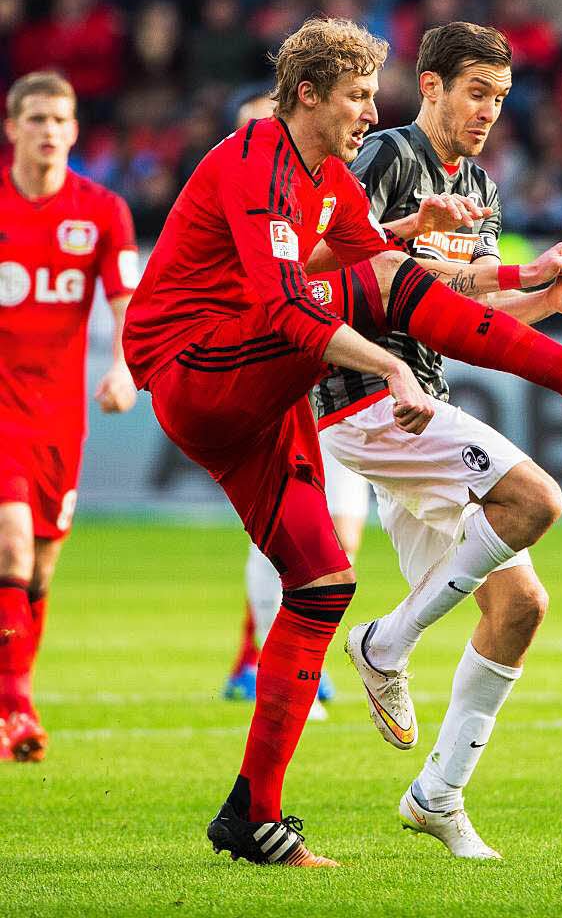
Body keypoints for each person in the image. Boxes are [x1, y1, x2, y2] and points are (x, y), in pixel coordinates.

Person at [123, 17, 562, 868]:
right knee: (407, 330)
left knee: (323, 584)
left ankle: (253, 817)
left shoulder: (331, 178)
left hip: (264, 398)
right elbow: (295, 306)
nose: (370, 113)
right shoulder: (256, 158)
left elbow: (401, 271)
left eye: (373, 96)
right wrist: (391, 371)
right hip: (196, 367)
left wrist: (514, 274)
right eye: (358, 97)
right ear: (307, 96)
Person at [315, 22, 562, 858]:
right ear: (429, 86)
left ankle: (437, 795)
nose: (488, 112)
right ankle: (382, 643)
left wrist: (546, 300)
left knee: (520, 606)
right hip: (359, 390)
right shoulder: (384, 159)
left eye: (499, 98)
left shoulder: (486, 192)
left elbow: (472, 311)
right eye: (474, 93)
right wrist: (495, 275)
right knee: (534, 498)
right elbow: (326, 262)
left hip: (422, 404)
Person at [0, 71, 138, 763]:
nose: (48, 131)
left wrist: (123, 365)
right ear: (12, 127)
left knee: (41, 570)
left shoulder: (103, 210)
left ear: (75, 130)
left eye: (60, 119)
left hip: (58, 418)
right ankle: (15, 708)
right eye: (35, 119)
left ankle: (14, 691)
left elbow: (125, 302)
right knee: (12, 546)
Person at [222, 90, 370, 713]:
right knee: (288, 530)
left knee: (343, 535)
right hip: (272, 374)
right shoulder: (241, 200)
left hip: (326, 374)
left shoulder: (322, 191)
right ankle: (267, 664)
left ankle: (273, 656)